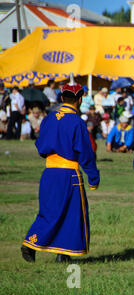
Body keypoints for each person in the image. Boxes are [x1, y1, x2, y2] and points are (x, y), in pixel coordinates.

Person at [20, 77, 100, 263]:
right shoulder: (77, 122)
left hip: (48, 173)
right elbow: (85, 153)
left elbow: (40, 146)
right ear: (79, 99)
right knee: (72, 215)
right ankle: (44, 248)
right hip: (69, 174)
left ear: (62, 98)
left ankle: (50, 250)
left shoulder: (48, 119)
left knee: (49, 212)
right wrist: (93, 177)